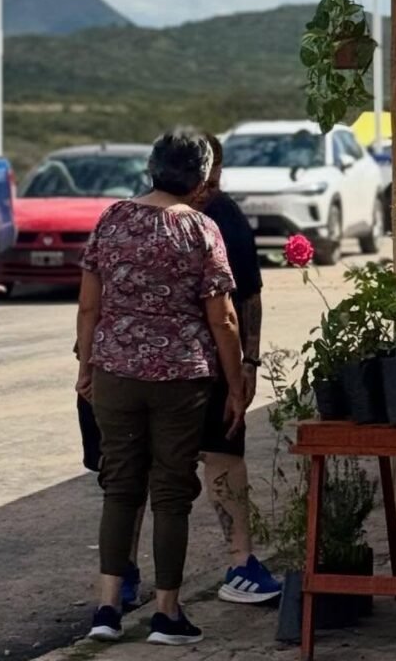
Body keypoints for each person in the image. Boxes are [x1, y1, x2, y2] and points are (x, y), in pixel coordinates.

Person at [77, 129, 245, 646]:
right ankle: (167, 614)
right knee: (172, 492)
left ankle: (107, 609)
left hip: (115, 373)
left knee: (120, 487)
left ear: (153, 167)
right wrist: (236, 384)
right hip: (181, 378)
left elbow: (89, 304)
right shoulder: (201, 228)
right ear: (200, 176)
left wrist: (86, 365)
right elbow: (223, 319)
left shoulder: (112, 219)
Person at [119, 134, 280, 609]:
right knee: (136, 468)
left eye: (213, 178)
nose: (207, 187)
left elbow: (246, 297)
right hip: (148, 368)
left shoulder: (223, 217)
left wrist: (247, 363)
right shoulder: (136, 215)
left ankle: (240, 562)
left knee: (222, 451)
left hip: (207, 364)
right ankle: (124, 574)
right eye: (204, 178)